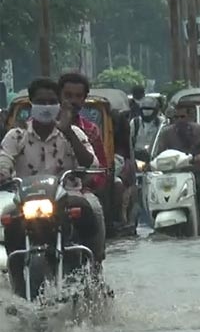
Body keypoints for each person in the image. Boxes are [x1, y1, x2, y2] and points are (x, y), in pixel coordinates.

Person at [0, 78, 105, 267]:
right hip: (26, 201)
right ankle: (14, 271)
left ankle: (94, 266)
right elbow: (4, 160)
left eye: (51, 102)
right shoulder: (16, 135)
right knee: (8, 217)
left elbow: (92, 163)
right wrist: (2, 174)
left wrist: (69, 133)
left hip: (67, 197)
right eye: (41, 102)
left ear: (59, 104)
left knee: (93, 209)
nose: (46, 106)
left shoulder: (74, 133)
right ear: (31, 103)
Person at [155, 105, 200, 228]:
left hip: (195, 172)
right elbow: (160, 153)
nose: (179, 120)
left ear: (189, 117)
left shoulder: (199, 130)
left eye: (182, 117)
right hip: (173, 175)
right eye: (176, 117)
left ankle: (199, 221)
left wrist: (197, 159)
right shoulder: (166, 133)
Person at [58, 72, 109, 192]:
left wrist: (88, 185)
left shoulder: (91, 130)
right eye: (68, 95)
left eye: (78, 96)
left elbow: (100, 169)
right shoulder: (37, 126)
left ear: (84, 99)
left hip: (80, 190)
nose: (73, 101)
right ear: (59, 96)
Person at [131, 96, 166, 160]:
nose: (147, 112)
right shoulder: (135, 122)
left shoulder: (162, 122)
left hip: (156, 156)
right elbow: (130, 140)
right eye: (145, 110)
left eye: (150, 110)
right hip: (138, 156)